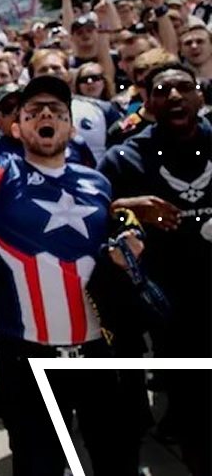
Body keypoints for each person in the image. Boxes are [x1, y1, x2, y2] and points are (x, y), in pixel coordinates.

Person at [0, 54, 147, 475]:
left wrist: (126, 247)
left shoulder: (97, 183)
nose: (46, 115)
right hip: (28, 359)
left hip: (98, 354)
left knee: (117, 463)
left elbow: (109, 255)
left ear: (71, 127)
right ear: (17, 127)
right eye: (33, 110)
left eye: (57, 110)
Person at [98, 62, 212, 475]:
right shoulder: (124, 158)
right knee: (197, 417)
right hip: (175, 311)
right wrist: (129, 208)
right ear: (147, 101)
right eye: (163, 90)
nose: (176, 96)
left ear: (201, 95)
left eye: (185, 87)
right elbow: (93, 213)